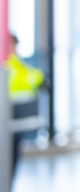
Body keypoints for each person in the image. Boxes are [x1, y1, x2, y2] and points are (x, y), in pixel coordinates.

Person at [8, 34, 44, 181]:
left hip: (14, 118)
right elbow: (23, 79)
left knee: (12, 157)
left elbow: (31, 74)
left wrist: (40, 79)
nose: (14, 49)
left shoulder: (16, 62)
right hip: (9, 116)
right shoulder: (8, 63)